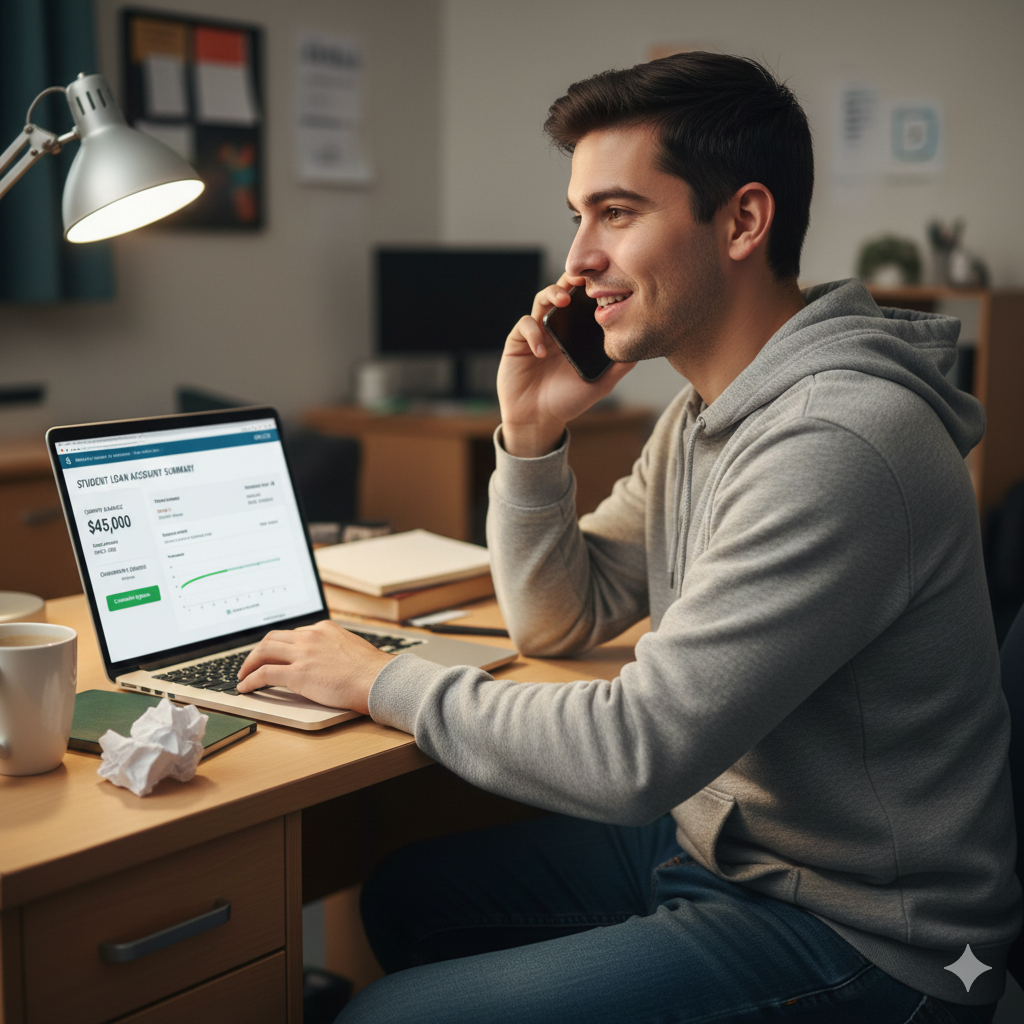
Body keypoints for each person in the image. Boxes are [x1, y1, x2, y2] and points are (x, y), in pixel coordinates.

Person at [238, 52, 1021, 1023]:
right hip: (719, 847)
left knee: (380, 1016)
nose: (575, 261)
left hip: (869, 934)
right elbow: (562, 617)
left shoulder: (836, 443)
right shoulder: (704, 414)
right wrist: (530, 437)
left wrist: (375, 679)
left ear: (741, 220)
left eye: (615, 212)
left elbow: (633, 751)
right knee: (404, 895)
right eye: (578, 215)